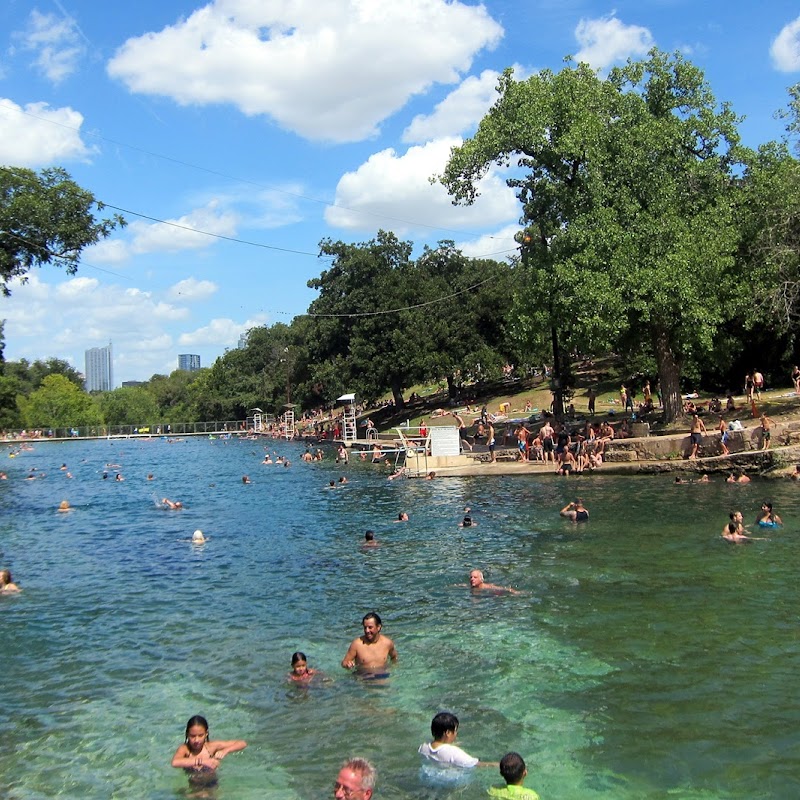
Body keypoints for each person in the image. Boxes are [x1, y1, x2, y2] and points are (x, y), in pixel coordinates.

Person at [170, 715, 246, 786]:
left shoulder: (211, 747)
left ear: (206, 734)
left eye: (200, 735)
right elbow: (175, 762)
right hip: (194, 786)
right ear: (187, 734)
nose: (196, 740)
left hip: (212, 784)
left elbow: (242, 743)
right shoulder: (185, 749)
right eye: (192, 736)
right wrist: (203, 761)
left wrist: (225, 751)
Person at [418, 711, 494, 769]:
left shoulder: (423, 747)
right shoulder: (454, 752)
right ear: (447, 733)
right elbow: (478, 765)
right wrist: (500, 764)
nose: (456, 733)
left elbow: (439, 752)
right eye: (455, 730)